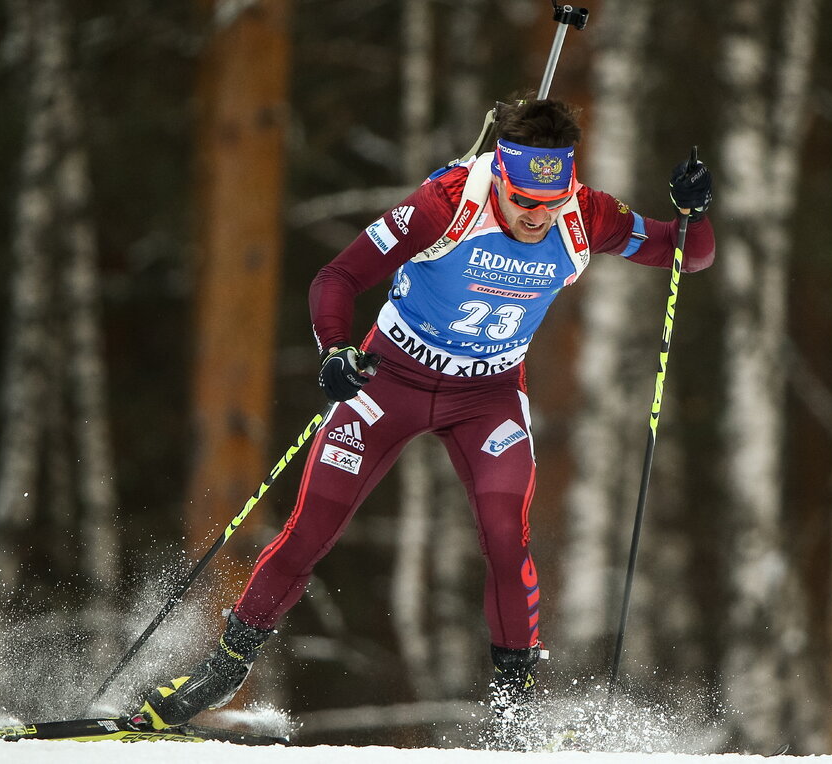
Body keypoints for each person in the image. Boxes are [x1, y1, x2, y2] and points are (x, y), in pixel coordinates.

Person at [135, 99, 715, 743]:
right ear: (500, 174)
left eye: (550, 201)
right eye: (524, 200)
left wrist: (693, 212)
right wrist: (334, 351)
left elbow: (687, 254)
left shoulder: (585, 214)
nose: (537, 216)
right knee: (311, 530)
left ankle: (514, 719)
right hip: (391, 380)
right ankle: (218, 673)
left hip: (486, 397)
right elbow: (339, 276)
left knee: (504, 535)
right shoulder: (447, 204)